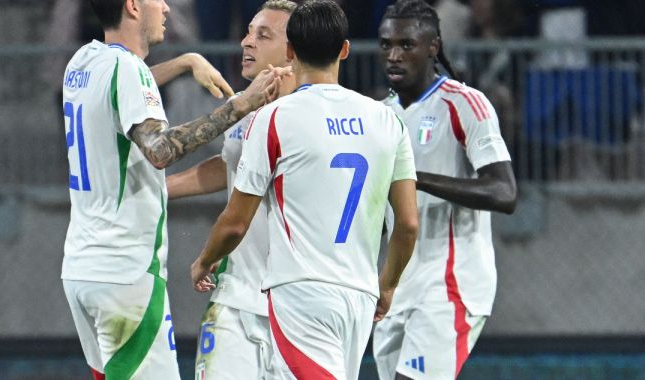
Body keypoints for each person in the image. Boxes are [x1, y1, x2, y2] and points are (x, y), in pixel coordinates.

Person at [190, 1, 419, 379]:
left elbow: (234, 222)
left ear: (291, 51)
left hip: (301, 293)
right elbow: (407, 224)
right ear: (345, 49)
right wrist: (389, 284)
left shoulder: (276, 116)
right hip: (358, 296)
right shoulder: (387, 119)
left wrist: (203, 260)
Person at [60, 0, 286, 379]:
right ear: (133, 6)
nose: (165, 7)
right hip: (126, 273)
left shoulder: (83, 61)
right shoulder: (127, 70)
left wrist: (184, 62)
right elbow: (160, 150)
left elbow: (125, 85)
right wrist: (240, 105)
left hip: (82, 270)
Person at [371, 1, 517, 379]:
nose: (394, 55)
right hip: (396, 285)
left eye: (406, 45)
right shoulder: (378, 115)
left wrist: (414, 177)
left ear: (433, 46)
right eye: (386, 45)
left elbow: (504, 192)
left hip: (451, 281)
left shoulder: (465, 103)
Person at [166, 1, 297, 379]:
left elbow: (236, 219)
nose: (246, 42)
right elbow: (229, 164)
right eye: (248, 32)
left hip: (297, 305)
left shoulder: (310, 116)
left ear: (292, 49)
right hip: (237, 297)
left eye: (262, 35)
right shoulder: (247, 113)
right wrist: (160, 190)